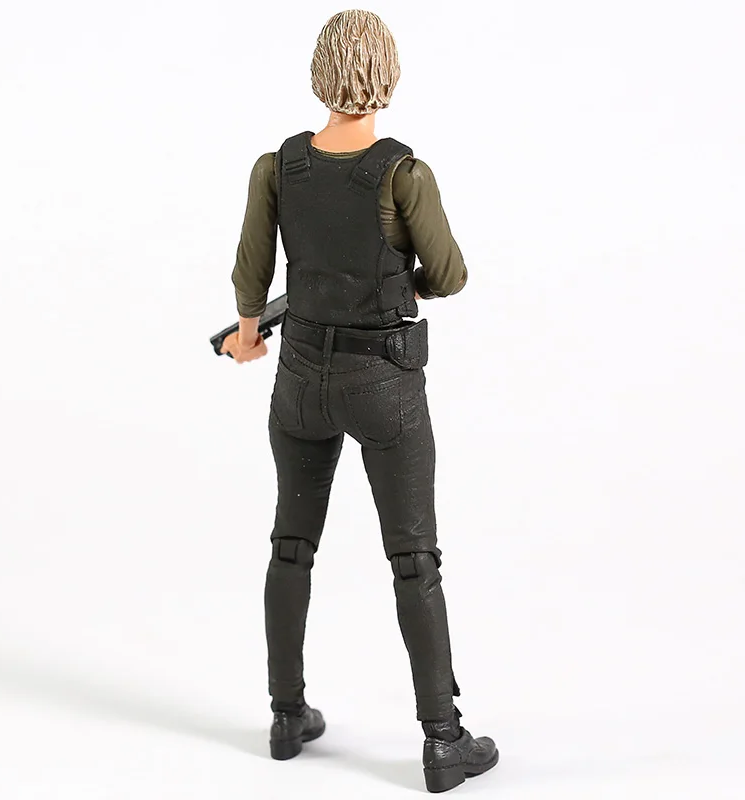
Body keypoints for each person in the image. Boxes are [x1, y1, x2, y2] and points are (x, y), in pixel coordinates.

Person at [221, 10, 498, 793]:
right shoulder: (403, 173)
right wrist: (399, 284)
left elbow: (250, 269)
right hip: (384, 382)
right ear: (389, 75)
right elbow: (450, 274)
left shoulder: (278, 166)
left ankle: (286, 715)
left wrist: (249, 334)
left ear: (319, 74)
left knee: (290, 544)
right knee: (413, 557)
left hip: (300, 376)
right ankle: (442, 741)